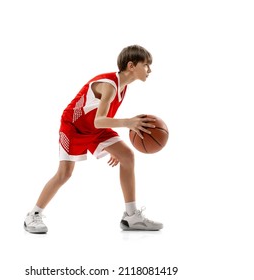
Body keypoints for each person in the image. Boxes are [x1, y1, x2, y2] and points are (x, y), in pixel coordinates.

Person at [24, 45, 163, 233]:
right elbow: (99, 120)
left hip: (96, 128)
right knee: (64, 173)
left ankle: (131, 216)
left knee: (127, 156)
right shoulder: (110, 85)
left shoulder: (123, 86)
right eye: (146, 65)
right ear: (131, 66)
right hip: (74, 127)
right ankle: (33, 215)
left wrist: (113, 147)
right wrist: (129, 123)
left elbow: (100, 121)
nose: (149, 70)